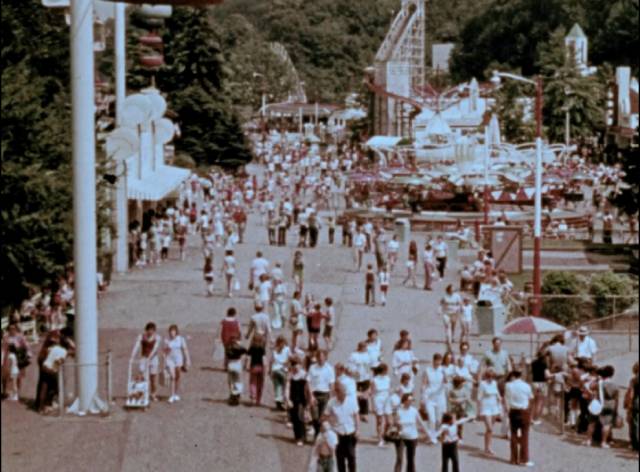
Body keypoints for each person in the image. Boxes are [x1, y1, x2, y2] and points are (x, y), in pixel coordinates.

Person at [327, 382, 359, 472]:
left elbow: (356, 415)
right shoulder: (332, 402)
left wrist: (357, 430)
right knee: (340, 458)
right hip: (338, 434)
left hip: (350, 433)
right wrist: (331, 425)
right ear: (337, 393)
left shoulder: (351, 401)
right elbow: (326, 416)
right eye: (341, 394)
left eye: (345, 393)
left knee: (351, 456)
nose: (344, 396)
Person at [505, 370, 534, 467]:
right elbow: (530, 398)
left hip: (513, 410)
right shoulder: (526, 386)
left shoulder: (508, 385)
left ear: (513, 375)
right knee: (525, 435)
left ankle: (513, 458)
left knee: (513, 434)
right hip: (524, 410)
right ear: (521, 375)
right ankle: (524, 459)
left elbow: (507, 398)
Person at [393, 392, 428, 472]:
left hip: (412, 437)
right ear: (404, 401)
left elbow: (421, 423)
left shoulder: (414, 411)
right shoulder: (399, 411)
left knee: (411, 459)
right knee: (399, 458)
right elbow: (395, 423)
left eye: (412, 400)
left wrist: (428, 433)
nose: (411, 402)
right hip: (401, 437)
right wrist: (398, 424)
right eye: (409, 400)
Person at [130, 322, 162, 401]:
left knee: (153, 378)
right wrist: (132, 357)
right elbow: (136, 346)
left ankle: (153, 394)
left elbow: (155, 348)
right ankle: (142, 393)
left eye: (152, 330)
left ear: (154, 331)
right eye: (149, 330)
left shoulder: (157, 337)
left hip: (153, 359)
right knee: (142, 376)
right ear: (146, 330)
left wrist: (150, 357)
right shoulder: (141, 337)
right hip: (144, 358)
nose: (150, 332)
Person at [308, 350, 335, 437]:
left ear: (325, 358)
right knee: (315, 417)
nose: (320, 360)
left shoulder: (329, 369)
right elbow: (308, 382)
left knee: (322, 417)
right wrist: (311, 396)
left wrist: (331, 397)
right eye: (319, 358)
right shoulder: (312, 368)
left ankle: (319, 436)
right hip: (315, 394)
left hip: (325, 394)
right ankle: (317, 432)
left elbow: (331, 384)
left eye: (322, 358)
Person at [422, 353, 447, 444]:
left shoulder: (442, 370)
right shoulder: (427, 370)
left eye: (440, 361)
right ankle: (431, 437)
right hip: (430, 398)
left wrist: (445, 377)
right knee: (431, 419)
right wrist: (423, 398)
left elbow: (446, 382)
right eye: (436, 361)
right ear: (433, 361)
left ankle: (435, 435)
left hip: (440, 397)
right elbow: (424, 384)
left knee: (439, 420)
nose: (438, 363)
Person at [285, 358, 311, 446]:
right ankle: (297, 436)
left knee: (300, 417)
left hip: (301, 399)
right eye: (294, 366)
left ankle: (301, 438)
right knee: (294, 418)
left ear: (300, 365)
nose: (296, 367)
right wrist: (287, 399)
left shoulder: (304, 375)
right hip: (293, 399)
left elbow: (308, 389)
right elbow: (287, 388)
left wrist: (309, 400)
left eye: (297, 365)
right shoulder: (290, 375)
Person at [163, 324, 191, 403]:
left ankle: (176, 393)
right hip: (170, 360)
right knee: (173, 376)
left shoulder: (181, 339)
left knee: (178, 376)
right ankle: (171, 395)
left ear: (176, 332)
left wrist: (187, 360)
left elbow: (185, 350)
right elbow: (165, 351)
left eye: (174, 331)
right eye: (171, 331)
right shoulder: (167, 340)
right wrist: (164, 361)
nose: (172, 333)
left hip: (178, 359)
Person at [478, 369, 501, 455]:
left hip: (494, 407)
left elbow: (497, 393)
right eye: (489, 377)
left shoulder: (495, 383)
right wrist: (479, 410)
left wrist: (500, 398)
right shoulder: (482, 384)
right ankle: (487, 447)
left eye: (492, 377)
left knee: (490, 430)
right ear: (486, 377)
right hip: (485, 408)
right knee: (489, 428)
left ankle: (487, 447)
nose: (491, 378)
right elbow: (479, 398)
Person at [349, 341, 373, 422]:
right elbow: (350, 366)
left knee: (365, 396)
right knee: (356, 395)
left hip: (365, 378)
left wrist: (370, 376)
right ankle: (357, 412)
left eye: (365, 347)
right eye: (363, 347)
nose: (364, 349)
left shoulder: (368, 355)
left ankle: (364, 413)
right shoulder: (354, 355)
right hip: (356, 378)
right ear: (359, 347)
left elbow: (370, 366)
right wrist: (354, 371)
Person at [372, 363, 391, 447]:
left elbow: (389, 389)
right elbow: (372, 393)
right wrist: (372, 405)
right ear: (383, 371)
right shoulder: (374, 380)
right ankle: (380, 439)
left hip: (387, 399)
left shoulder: (388, 378)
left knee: (389, 422)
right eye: (386, 370)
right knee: (379, 421)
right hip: (378, 399)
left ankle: (384, 435)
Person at [270, 335, 291, 411]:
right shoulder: (287, 349)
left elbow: (271, 361)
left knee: (277, 387)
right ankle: (284, 402)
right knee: (285, 387)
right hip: (283, 370)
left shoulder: (274, 350)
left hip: (275, 370)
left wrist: (270, 371)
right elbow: (289, 359)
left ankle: (278, 402)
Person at [225, 335, 247, 406]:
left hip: (230, 364)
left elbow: (226, 358)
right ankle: (237, 393)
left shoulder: (228, 347)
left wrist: (225, 366)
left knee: (231, 381)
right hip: (237, 364)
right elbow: (245, 350)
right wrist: (239, 344)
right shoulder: (238, 347)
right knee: (238, 380)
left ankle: (232, 394)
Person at [246, 334, 267, 406]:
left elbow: (248, 357)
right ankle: (258, 400)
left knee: (253, 382)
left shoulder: (251, 348)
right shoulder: (262, 348)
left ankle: (253, 397)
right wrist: (265, 368)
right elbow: (264, 359)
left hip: (253, 367)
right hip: (261, 367)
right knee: (260, 384)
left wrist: (246, 366)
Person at [440, 285, 462, 349]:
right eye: (451, 290)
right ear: (448, 290)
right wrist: (440, 309)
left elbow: (460, 303)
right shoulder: (445, 296)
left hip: (454, 313)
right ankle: (448, 338)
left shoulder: (457, 296)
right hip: (446, 313)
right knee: (447, 326)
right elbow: (441, 303)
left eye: (453, 290)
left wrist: (459, 309)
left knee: (453, 326)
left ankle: (452, 337)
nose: (452, 291)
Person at [623, 362, 639, 452]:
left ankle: (635, 443)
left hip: (636, 402)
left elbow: (631, 394)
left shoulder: (634, 380)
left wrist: (629, 405)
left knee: (634, 423)